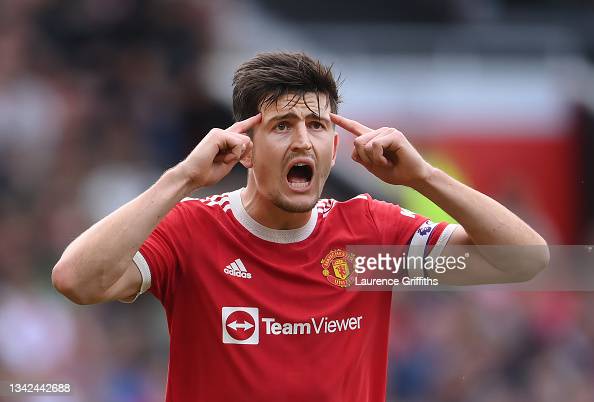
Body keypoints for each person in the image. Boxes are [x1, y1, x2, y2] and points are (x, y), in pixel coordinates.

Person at [52, 52, 549, 401]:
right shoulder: (192, 230)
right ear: (245, 148)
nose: (303, 141)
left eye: (317, 125)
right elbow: (76, 280)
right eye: (282, 126)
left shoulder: (370, 235)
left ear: (334, 147)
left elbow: (526, 260)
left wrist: (423, 177)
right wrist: (181, 178)